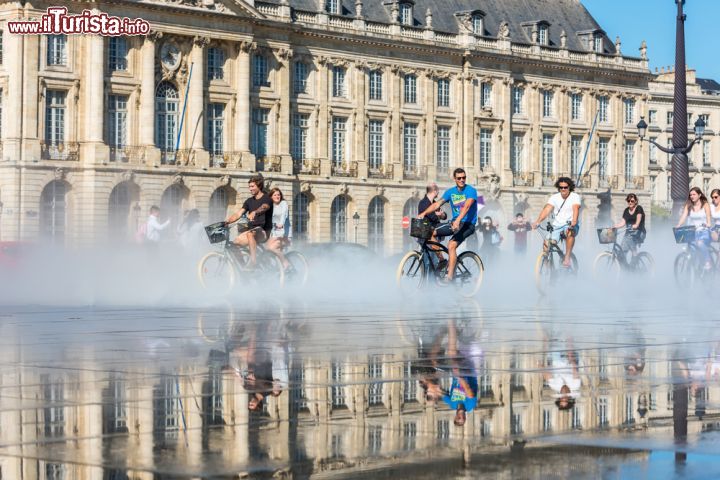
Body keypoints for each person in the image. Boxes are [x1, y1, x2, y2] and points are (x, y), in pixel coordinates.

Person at [418, 168, 478, 282]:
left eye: (464, 177)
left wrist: (458, 220)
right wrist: (423, 213)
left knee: (451, 245)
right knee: (429, 233)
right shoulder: (450, 192)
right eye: (459, 178)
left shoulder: (471, 190)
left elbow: (467, 206)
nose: (462, 180)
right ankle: (442, 260)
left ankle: (449, 277)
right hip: (454, 223)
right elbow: (437, 204)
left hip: (467, 224)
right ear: (454, 179)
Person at [532, 177, 581, 268]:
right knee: (547, 242)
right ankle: (547, 263)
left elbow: (576, 209)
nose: (563, 189)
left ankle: (567, 257)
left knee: (570, 233)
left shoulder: (575, 196)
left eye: (565, 187)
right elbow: (547, 210)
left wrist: (574, 221)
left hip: (570, 224)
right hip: (557, 225)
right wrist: (537, 221)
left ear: (569, 187)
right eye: (561, 187)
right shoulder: (554, 197)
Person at [225, 175, 273, 269]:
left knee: (250, 234)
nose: (250, 189)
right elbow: (239, 213)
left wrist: (255, 212)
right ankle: (244, 268)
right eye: (249, 187)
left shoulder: (267, 198)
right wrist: (227, 221)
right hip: (252, 230)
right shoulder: (249, 201)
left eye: (252, 186)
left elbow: (265, 207)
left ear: (259, 186)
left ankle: (253, 262)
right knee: (234, 244)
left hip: (264, 231)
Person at [676, 186, 712, 269]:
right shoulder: (688, 205)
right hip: (692, 232)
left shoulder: (705, 205)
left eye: (694, 194)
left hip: (703, 231)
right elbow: (684, 216)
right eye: (690, 195)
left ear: (699, 195)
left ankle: (707, 260)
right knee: (691, 250)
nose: (692, 196)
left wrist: (708, 223)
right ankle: (695, 269)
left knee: (700, 243)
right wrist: (679, 225)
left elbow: (708, 216)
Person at [418, 182, 448, 267]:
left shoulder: (434, 203)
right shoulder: (423, 203)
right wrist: (437, 215)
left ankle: (441, 264)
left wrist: (442, 215)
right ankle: (442, 261)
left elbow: (444, 216)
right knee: (429, 262)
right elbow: (431, 217)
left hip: (433, 234)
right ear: (434, 191)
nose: (438, 193)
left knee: (433, 261)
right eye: (438, 191)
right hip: (427, 234)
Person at [611, 193, 646, 258]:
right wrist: (615, 226)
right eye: (628, 201)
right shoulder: (626, 210)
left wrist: (635, 225)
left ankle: (635, 255)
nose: (630, 202)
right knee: (621, 252)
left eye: (632, 201)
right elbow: (622, 223)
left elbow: (638, 221)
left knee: (629, 239)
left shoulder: (639, 208)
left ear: (635, 201)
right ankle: (625, 266)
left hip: (639, 232)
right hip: (629, 233)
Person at [265, 188, 292, 271]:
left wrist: (281, 223)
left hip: (285, 233)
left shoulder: (283, 203)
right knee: (266, 248)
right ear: (271, 197)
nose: (277, 196)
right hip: (275, 233)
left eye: (278, 194)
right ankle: (278, 269)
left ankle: (286, 263)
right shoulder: (271, 206)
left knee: (271, 248)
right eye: (275, 195)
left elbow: (284, 214)